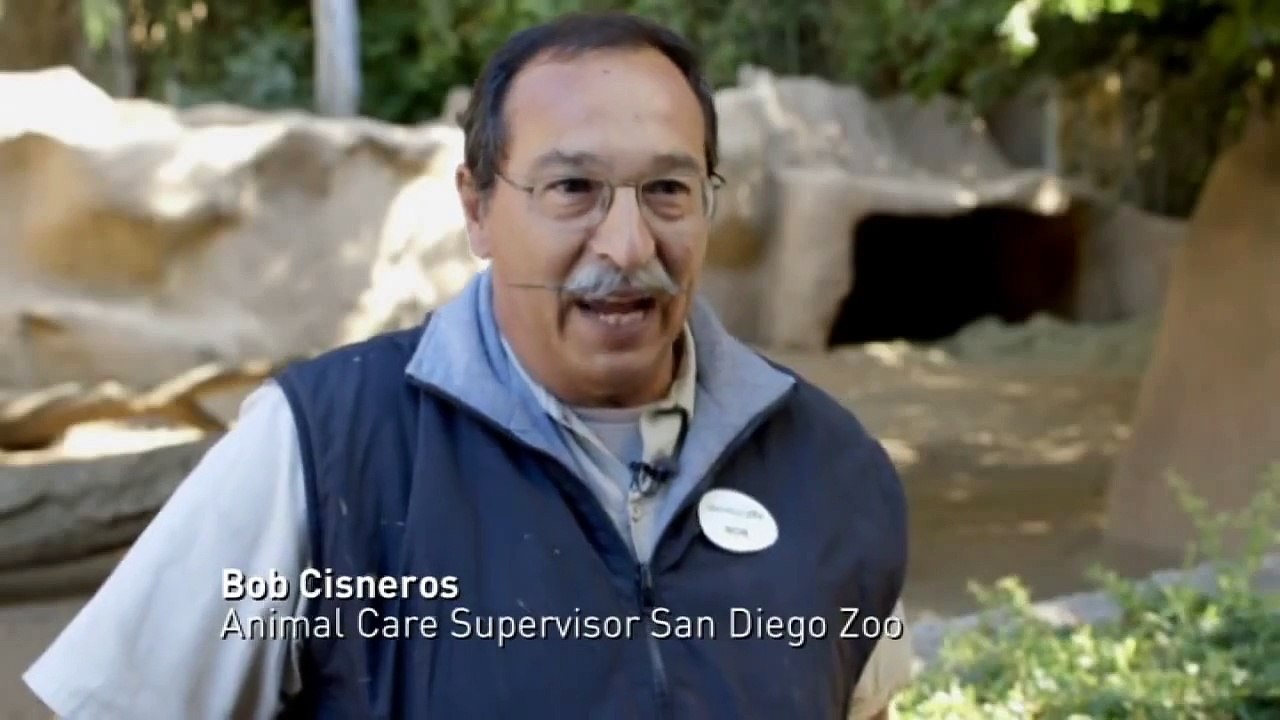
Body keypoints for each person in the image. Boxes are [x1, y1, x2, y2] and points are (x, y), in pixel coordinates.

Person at [24, 11, 912, 719]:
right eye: (573, 189)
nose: (629, 241)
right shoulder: (320, 450)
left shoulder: (828, 468)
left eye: (667, 190)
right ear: (478, 208)